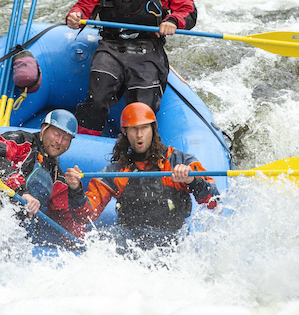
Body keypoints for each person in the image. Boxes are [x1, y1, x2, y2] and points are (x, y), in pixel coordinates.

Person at [65, 0, 198, 136]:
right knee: (96, 101)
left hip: (148, 51)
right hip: (111, 49)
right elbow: (84, 5)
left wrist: (173, 20)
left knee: (141, 114)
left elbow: (189, 10)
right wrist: (75, 15)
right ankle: (83, 150)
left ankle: (136, 160)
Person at [64, 102, 219, 250]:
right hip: (129, 239)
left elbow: (214, 202)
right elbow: (85, 217)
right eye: (133, 129)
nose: (139, 135)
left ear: (152, 129)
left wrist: (191, 181)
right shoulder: (116, 171)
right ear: (125, 132)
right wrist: (76, 189)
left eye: (144, 128)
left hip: (171, 239)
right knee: (105, 240)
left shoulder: (179, 161)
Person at [0, 109, 84, 242]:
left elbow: (69, 220)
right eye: (56, 134)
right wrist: (21, 191)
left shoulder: (57, 179)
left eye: (66, 138)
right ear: (43, 129)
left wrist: (77, 190)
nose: (59, 141)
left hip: (7, 230)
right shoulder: (21, 141)